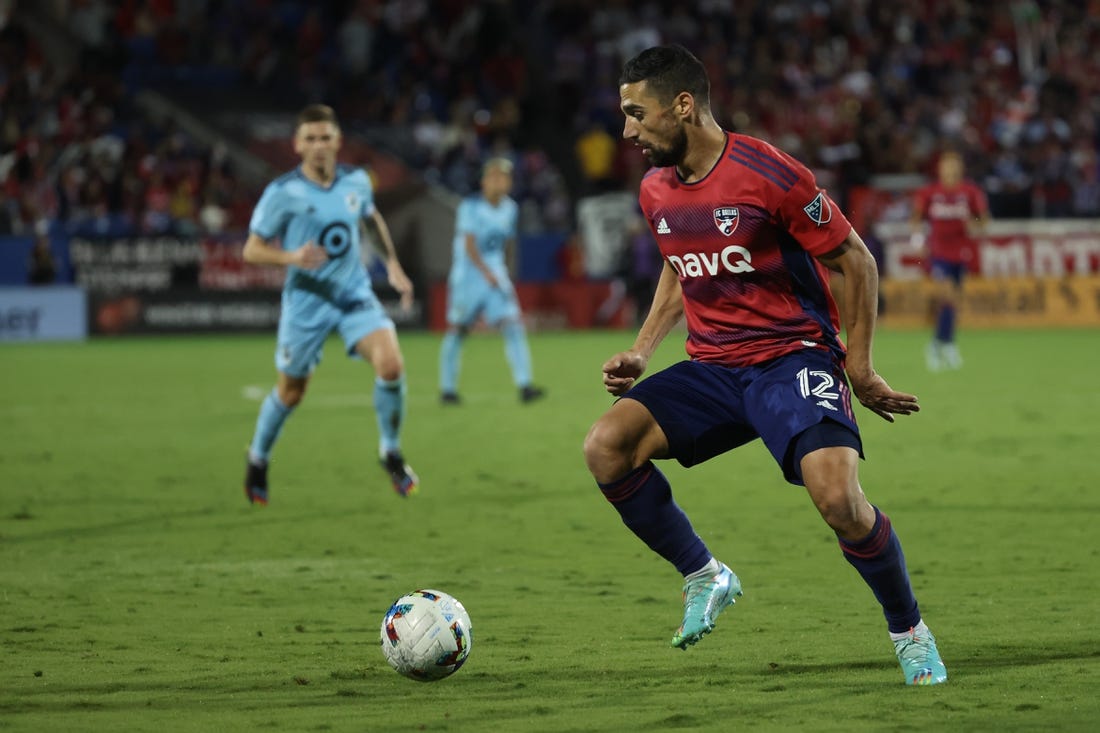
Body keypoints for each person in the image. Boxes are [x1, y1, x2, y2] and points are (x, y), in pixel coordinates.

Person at [582, 45, 946, 686]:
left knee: (839, 499)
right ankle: (705, 574)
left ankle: (910, 633)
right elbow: (679, 261)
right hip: (715, 369)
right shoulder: (655, 189)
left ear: (683, 105)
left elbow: (854, 260)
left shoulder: (768, 173)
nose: (627, 130)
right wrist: (642, 349)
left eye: (637, 113)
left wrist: (858, 369)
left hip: (790, 359)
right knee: (607, 447)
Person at [242, 104, 418, 504]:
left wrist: (392, 265)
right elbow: (251, 249)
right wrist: (290, 258)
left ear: (338, 142)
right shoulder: (283, 193)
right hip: (307, 301)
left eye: (326, 137)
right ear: (297, 145)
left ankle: (390, 451)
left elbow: (370, 220)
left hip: (353, 293)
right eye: (311, 138)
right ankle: (258, 457)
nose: (319, 145)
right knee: (291, 392)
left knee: (391, 365)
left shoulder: (356, 181)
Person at [439, 158, 544, 405]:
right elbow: (469, 245)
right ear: (484, 181)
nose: (501, 181)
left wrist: (505, 271)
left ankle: (525, 385)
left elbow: (508, 244)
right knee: (458, 330)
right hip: (468, 277)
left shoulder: (510, 208)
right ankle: (447, 389)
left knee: (513, 325)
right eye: (495, 176)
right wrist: (487, 272)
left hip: (495, 275)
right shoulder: (471, 207)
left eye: (505, 177)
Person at [910, 150, 990, 370]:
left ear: (960, 169)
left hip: (961, 253)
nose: (950, 170)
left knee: (953, 301)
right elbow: (916, 219)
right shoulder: (929, 192)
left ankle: (941, 343)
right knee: (947, 295)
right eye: (946, 166)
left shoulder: (970, 191)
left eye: (954, 166)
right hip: (938, 253)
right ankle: (942, 345)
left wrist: (975, 225)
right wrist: (918, 242)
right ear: (940, 169)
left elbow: (983, 220)